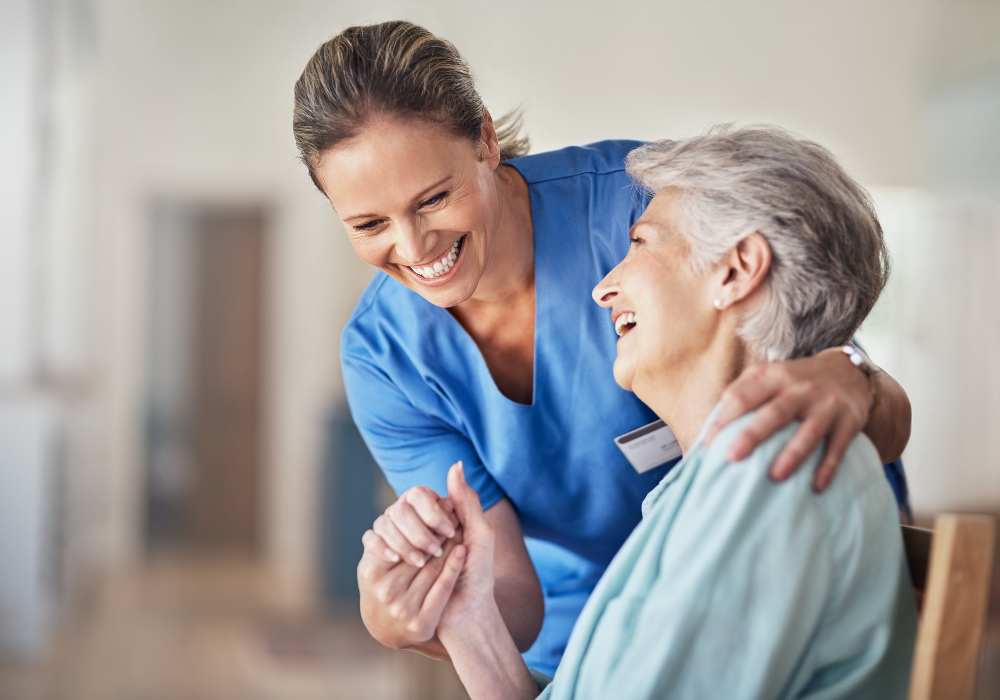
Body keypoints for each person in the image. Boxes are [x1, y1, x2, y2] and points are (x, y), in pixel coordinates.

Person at [292, 21, 913, 677]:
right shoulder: (385, 353)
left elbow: (831, 344)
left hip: (763, 577)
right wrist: (419, 611)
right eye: (367, 224)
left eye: (434, 198)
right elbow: (500, 587)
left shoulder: (648, 209)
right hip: (596, 642)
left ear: (484, 139)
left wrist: (852, 375)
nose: (415, 249)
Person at [433, 126, 918, 699]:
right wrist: (469, 623)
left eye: (640, 243)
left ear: (736, 270)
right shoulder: (713, 481)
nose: (602, 289)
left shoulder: (769, 472)